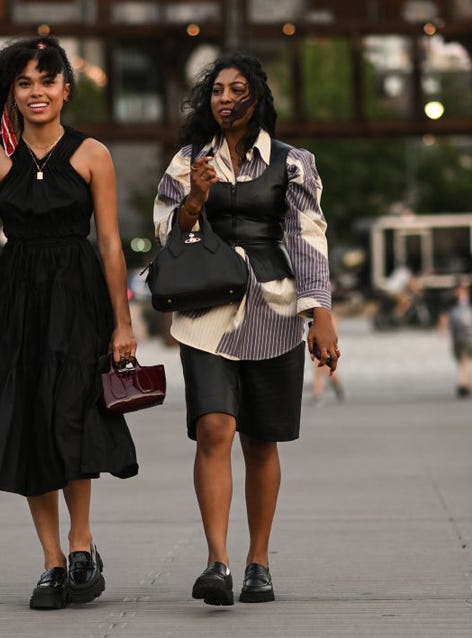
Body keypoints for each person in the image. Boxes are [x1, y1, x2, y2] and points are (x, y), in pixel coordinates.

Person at [0, 36, 138, 610]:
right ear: (13, 93)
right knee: (28, 420)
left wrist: (123, 323)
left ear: (65, 89)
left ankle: (82, 544)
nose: (36, 93)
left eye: (46, 82)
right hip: (19, 297)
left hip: (79, 297)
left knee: (71, 415)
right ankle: (52, 561)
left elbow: (109, 243)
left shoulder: (92, 154)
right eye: (24, 83)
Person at [153, 52, 339, 606]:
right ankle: (218, 561)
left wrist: (320, 313)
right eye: (216, 91)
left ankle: (259, 561)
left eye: (236, 90)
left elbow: (308, 237)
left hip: (275, 310)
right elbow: (167, 233)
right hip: (206, 310)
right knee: (214, 428)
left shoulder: (293, 162)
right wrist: (195, 199)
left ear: (256, 98)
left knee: (262, 440)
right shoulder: (187, 160)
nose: (224, 98)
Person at [439, 279, 472, 398]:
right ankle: (465, 384)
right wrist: (442, 329)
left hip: (468, 336)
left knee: (464, 359)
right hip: (457, 337)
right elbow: (444, 316)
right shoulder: (451, 303)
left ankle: (463, 385)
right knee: (463, 361)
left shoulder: (469, 302)